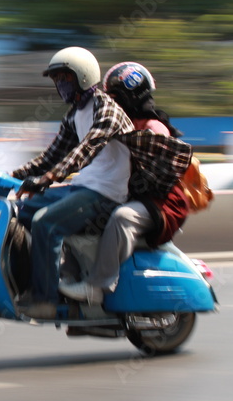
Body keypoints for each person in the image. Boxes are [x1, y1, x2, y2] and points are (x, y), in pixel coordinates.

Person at [12, 47, 134, 318]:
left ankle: (46, 299)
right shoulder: (74, 114)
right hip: (84, 187)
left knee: (46, 222)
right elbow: (51, 156)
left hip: (107, 193)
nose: (60, 85)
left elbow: (86, 149)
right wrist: (11, 175)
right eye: (57, 80)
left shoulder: (107, 109)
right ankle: (35, 279)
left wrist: (49, 178)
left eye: (65, 78)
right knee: (23, 212)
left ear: (83, 76)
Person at [59, 62, 192, 304]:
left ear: (131, 95)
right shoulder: (116, 122)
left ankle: (97, 287)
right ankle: (67, 279)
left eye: (116, 97)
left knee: (123, 217)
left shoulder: (153, 127)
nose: (110, 103)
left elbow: (157, 173)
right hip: (131, 195)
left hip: (160, 203)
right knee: (71, 214)